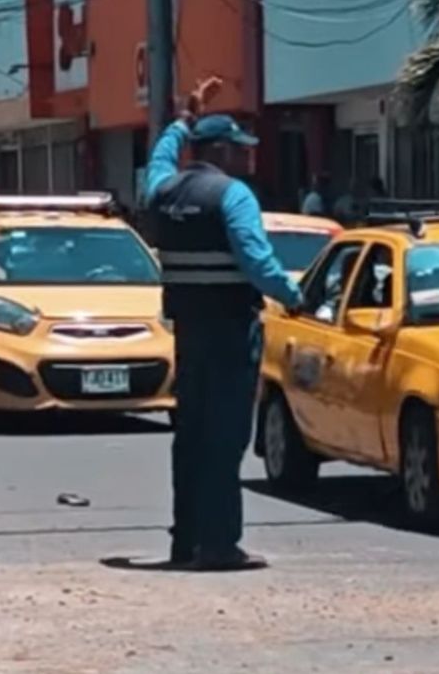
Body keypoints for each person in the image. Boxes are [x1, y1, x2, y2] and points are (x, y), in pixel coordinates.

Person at [145, 78, 304, 571]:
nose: (248, 158)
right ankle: (218, 545)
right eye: (240, 148)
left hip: (189, 332)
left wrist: (182, 121)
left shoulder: (162, 192)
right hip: (233, 331)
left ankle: (185, 540)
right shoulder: (233, 196)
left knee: (190, 434)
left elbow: (159, 158)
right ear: (222, 151)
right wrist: (293, 296)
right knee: (227, 436)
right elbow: (256, 261)